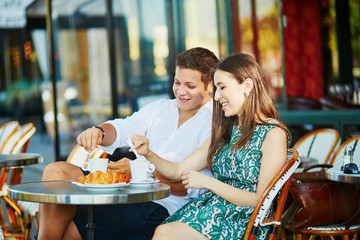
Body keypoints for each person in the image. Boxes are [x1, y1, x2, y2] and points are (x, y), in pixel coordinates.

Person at [38, 47, 219, 240]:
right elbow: (124, 127)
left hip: (161, 206)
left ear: (210, 86)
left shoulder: (214, 123)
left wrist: (139, 174)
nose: (181, 91)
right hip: (124, 191)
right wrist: (99, 132)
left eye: (190, 86)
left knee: (67, 224)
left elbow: (192, 188)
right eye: (177, 83)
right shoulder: (160, 108)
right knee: (56, 171)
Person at [131, 53, 291, 240]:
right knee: (162, 230)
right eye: (216, 88)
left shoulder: (272, 134)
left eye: (222, 87)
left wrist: (207, 182)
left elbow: (260, 199)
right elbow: (176, 171)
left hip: (245, 221)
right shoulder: (225, 131)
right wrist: (148, 153)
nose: (216, 96)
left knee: (166, 233)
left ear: (247, 86)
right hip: (213, 211)